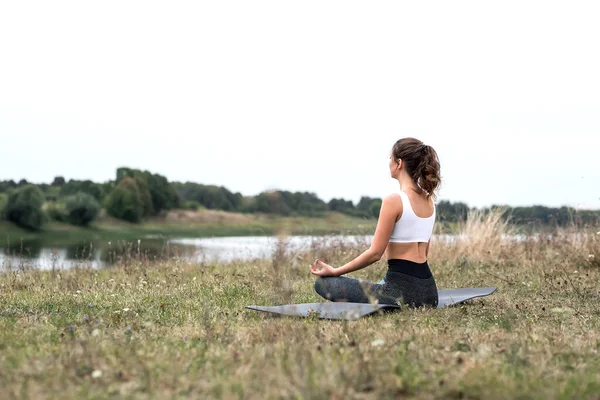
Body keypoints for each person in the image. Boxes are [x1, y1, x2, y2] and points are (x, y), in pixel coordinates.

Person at [309, 137, 441, 308]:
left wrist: (335, 271)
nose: (389, 163)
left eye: (390, 158)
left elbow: (374, 254)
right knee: (382, 284)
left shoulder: (394, 200)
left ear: (399, 163)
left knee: (323, 284)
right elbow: (424, 253)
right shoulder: (429, 200)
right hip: (430, 294)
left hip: (403, 294)